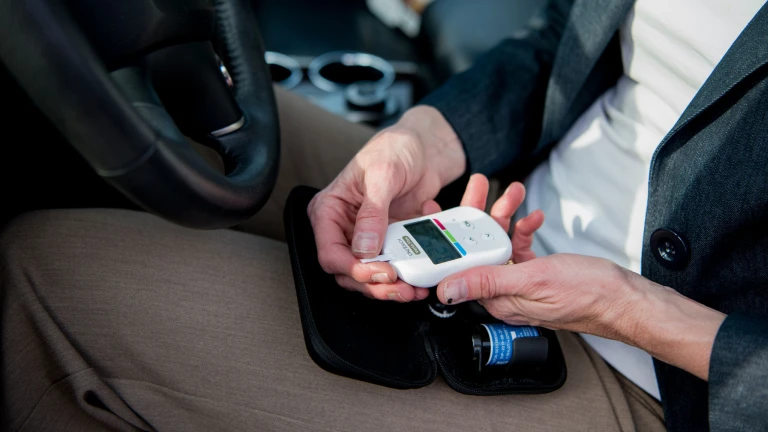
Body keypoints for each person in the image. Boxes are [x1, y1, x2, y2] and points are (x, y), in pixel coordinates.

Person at [2, 0, 767, 431]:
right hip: (499, 206)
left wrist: (628, 308)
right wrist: (425, 140)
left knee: (44, 272)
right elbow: (560, 42)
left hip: (656, 376)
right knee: (175, 113)